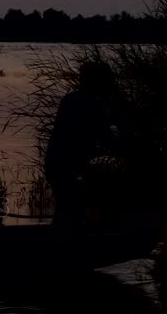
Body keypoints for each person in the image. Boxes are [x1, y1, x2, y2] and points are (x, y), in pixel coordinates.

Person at [44, 61, 123, 231]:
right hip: (66, 167)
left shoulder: (71, 100)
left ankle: (57, 240)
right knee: (73, 211)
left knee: (66, 212)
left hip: (56, 163)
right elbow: (106, 138)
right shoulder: (92, 106)